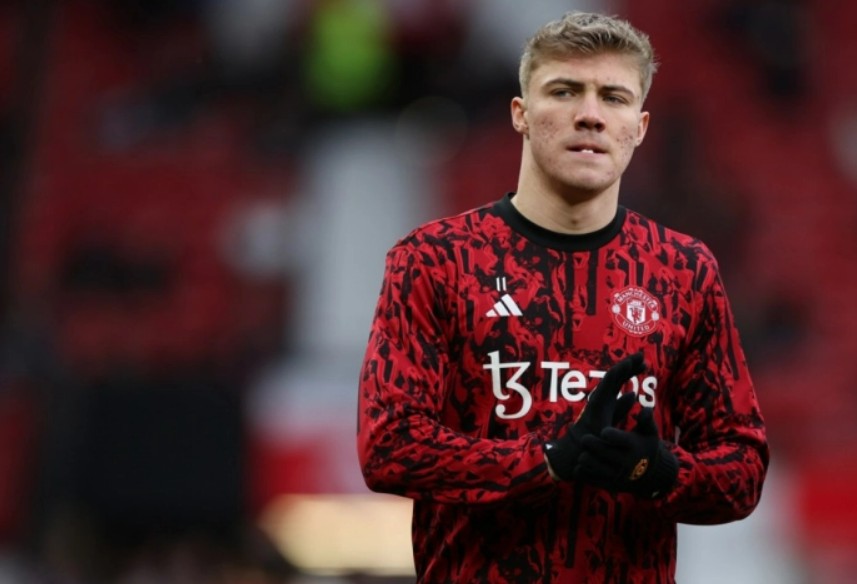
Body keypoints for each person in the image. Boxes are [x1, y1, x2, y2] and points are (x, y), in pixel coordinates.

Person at [356, 11, 769, 583]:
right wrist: (549, 461)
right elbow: (388, 445)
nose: (590, 114)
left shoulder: (683, 271)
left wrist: (658, 471)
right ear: (520, 113)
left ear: (640, 126)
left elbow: (742, 468)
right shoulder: (435, 260)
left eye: (614, 97)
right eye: (565, 91)